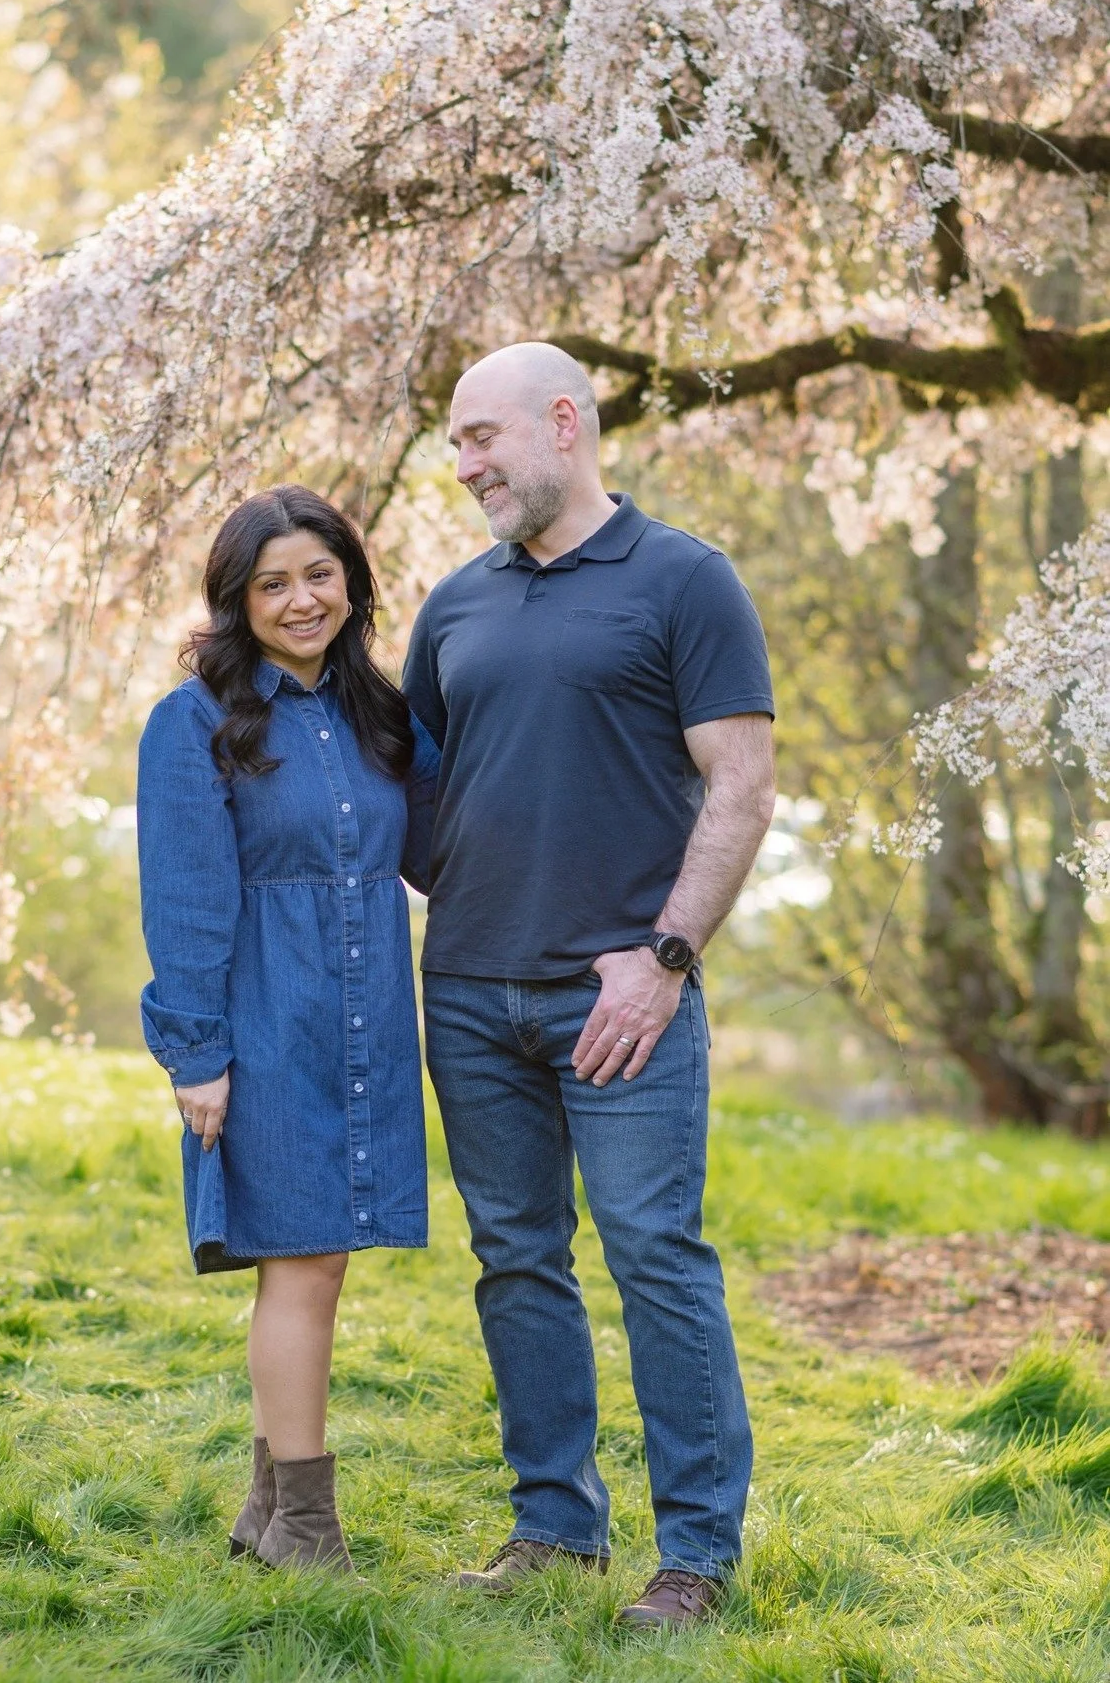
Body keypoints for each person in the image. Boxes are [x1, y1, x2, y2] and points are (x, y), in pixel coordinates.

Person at [402, 343, 776, 1629]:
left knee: (655, 1257)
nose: (466, 467)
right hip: (465, 990)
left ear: (563, 422)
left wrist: (665, 957)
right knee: (514, 1258)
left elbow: (740, 785)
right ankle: (556, 1527)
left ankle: (695, 1556)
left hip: (624, 1000)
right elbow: (422, 793)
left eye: (481, 437)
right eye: (455, 446)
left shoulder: (685, 580)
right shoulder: (452, 606)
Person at [136, 484, 437, 1573]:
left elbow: (441, 846)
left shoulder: (381, 714)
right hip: (265, 1020)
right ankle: (308, 1527)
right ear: (237, 600)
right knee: (300, 1262)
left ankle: (269, 1512)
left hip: (362, 1021)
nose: (301, 598)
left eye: (319, 573)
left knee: (319, 1263)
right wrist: (198, 1054)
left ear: (350, 580)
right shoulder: (193, 722)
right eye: (273, 583)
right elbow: (185, 899)